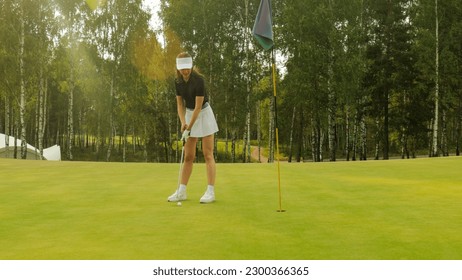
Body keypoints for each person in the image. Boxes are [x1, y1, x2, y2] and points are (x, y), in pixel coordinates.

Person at [167, 52, 219, 204]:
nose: (185, 71)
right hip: (189, 115)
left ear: (191, 65)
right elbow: (180, 104)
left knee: (207, 153)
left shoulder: (199, 81)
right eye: (182, 69)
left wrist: (188, 127)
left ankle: (210, 192)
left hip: (204, 114)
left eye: (187, 68)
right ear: (178, 69)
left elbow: (198, 107)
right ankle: (181, 191)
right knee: (189, 156)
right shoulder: (177, 82)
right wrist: (183, 122)